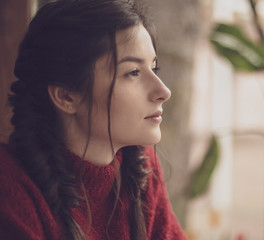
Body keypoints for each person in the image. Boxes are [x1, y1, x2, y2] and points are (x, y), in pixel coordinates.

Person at [0, 0, 187, 239]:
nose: (164, 91)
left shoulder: (140, 164)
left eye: (154, 68)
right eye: (132, 73)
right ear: (66, 96)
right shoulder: (10, 188)